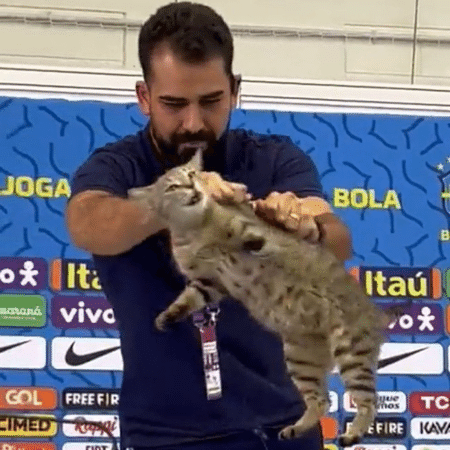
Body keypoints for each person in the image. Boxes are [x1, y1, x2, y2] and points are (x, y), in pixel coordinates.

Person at [65, 2, 352, 449]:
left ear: (235, 90)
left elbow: (335, 236)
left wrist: (305, 228)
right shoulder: (117, 166)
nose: (193, 122)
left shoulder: (272, 159)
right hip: (165, 437)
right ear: (144, 97)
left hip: (286, 428)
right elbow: (87, 222)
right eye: (174, 104)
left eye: (211, 101)